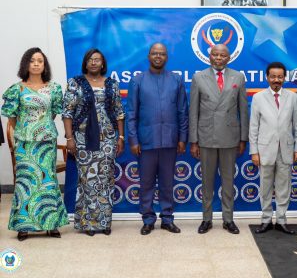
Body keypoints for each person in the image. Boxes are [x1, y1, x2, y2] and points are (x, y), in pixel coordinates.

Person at [1, 47, 68, 241]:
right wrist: (22, 133)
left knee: (47, 182)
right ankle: (24, 226)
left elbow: (54, 112)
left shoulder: (54, 88)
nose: (37, 63)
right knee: (26, 182)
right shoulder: (17, 89)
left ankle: (51, 224)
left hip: (46, 141)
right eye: (32, 60)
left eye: (40, 60)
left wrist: (42, 124)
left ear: (44, 65)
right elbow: (11, 118)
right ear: (26, 64)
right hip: (24, 143)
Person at [127, 43, 188, 235]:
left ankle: (167, 219)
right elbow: (131, 113)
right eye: (154, 53)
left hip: (170, 140)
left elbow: (182, 111)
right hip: (146, 142)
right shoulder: (138, 80)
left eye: (162, 54)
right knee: (146, 183)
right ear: (148, 56)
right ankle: (148, 219)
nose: (158, 56)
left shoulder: (176, 80)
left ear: (167, 57)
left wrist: (183, 138)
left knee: (167, 182)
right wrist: (133, 140)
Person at [63, 48, 125, 236]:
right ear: (85, 62)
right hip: (82, 138)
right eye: (90, 59)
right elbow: (67, 112)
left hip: (107, 138)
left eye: (97, 59)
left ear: (103, 63)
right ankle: (88, 223)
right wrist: (69, 138)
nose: (94, 62)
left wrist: (120, 137)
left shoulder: (112, 84)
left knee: (105, 179)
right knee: (87, 180)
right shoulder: (75, 83)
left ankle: (104, 222)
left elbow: (118, 111)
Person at [189, 44, 249, 234]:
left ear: (228, 58)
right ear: (209, 57)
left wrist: (243, 139)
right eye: (215, 54)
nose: (218, 58)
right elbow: (193, 112)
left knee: (228, 181)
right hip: (206, 136)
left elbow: (243, 111)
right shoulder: (199, 77)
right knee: (207, 182)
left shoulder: (238, 77)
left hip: (230, 138)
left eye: (222, 55)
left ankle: (228, 219)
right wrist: (194, 140)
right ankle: (206, 219)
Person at [249, 62, 297, 234]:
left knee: (283, 187)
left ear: (284, 78)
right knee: (265, 188)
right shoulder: (258, 97)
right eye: (273, 76)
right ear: (267, 77)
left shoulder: (292, 97)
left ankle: (281, 220)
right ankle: (265, 219)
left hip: (286, 151)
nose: (276, 80)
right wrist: (254, 151)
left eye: (280, 77)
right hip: (264, 151)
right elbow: (253, 127)